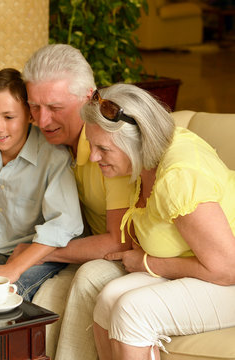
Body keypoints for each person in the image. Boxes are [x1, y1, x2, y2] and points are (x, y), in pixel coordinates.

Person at [84, 84, 235, 360]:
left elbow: (227, 269)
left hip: (229, 278)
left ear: (138, 142)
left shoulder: (177, 177)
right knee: (107, 299)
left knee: (132, 311)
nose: (94, 158)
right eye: (91, 146)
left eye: (103, 149)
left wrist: (147, 263)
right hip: (206, 268)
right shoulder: (144, 161)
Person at [18, 44, 136, 359]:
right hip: (90, 250)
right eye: (34, 106)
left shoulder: (109, 142)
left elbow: (119, 241)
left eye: (55, 107)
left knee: (87, 278)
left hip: (134, 253)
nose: (42, 121)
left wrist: (38, 253)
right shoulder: (52, 142)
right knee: (46, 294)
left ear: (89, 99)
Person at [0, 68, 82, 301]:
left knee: (4, 296)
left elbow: (65, 224)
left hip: (40, 254)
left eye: (9, 117)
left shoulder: (53, 157)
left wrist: (14, 268)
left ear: (29, 115)